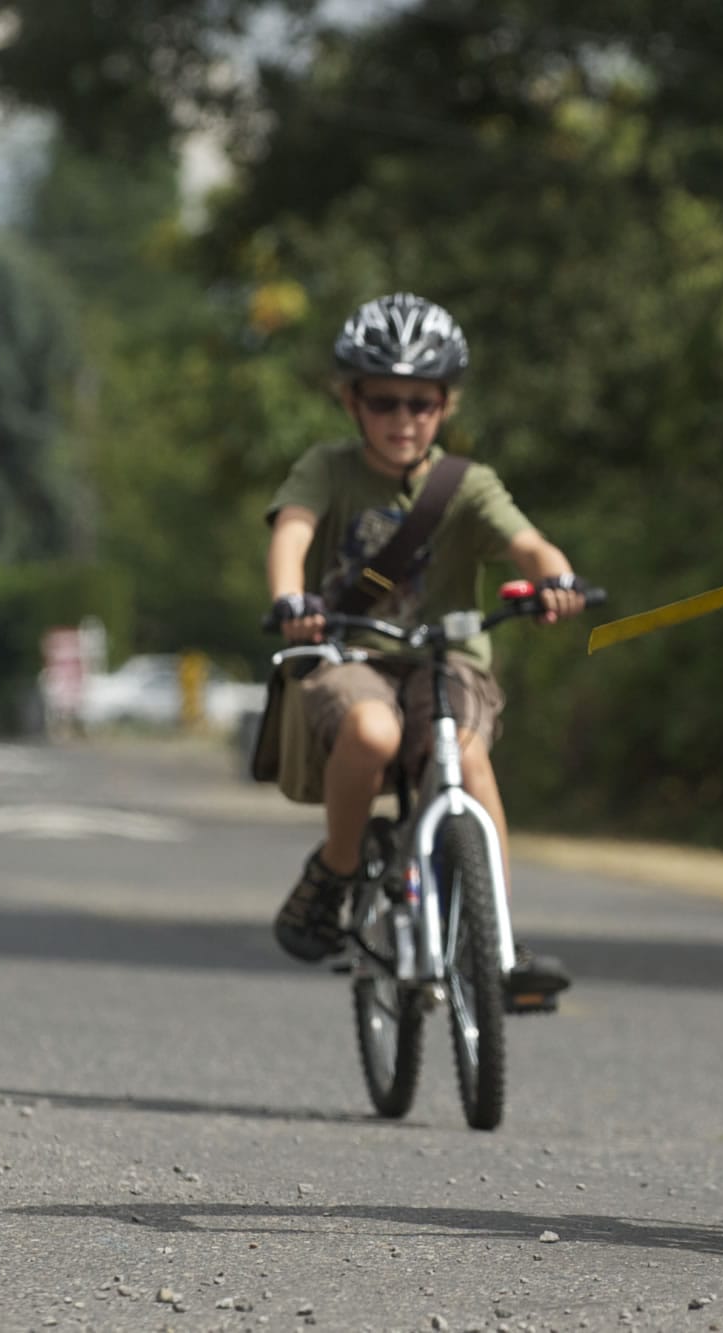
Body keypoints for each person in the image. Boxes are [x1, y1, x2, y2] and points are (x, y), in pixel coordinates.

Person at [265, 291, 581, 1010]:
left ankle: (495, 939)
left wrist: (553, 579)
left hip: (449, 659)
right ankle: (340, 867)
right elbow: (293, 529)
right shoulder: (329, 468)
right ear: (352, 401)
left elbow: (528, 542)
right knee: (371, 729)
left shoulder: (466, 484)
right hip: (352, 655)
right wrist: (291, 597)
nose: (403, 420)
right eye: (383, 401)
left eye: (421, 402)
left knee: (468, 755)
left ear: (445, 405)